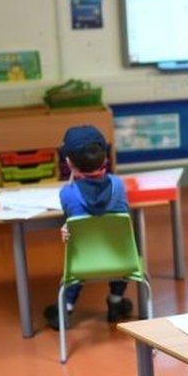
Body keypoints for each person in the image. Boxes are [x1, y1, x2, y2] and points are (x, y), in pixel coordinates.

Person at [43, 125, 133, 330]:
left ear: (68, 162)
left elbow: (72, 220)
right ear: (105, 159)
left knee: (78, 250)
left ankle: (65, 308)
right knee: (118, 244)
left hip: (83, 263)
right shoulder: (119, 185)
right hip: (121, 260)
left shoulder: (67, 194)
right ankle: (116, 302)